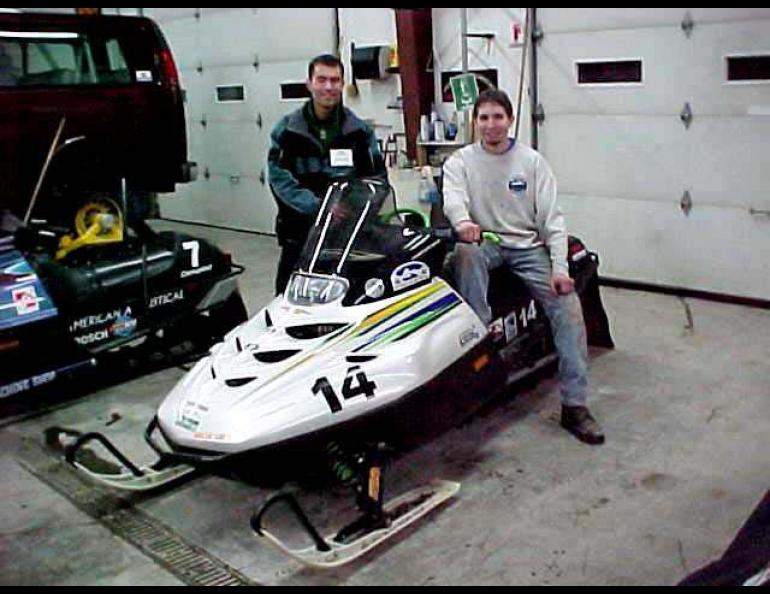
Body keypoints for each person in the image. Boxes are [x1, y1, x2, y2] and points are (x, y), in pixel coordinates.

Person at [442, 89, 605, 445]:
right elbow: (454, 200)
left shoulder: (532, 163)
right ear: (475, 123)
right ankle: (480, 341)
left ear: (510, 120)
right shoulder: (459, 162)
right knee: (464, 254)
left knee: (569, 311)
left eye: (497, 117)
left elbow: (552, 220)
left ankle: (574, 406)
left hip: (529, 248)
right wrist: (462, 224)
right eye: (483, 118)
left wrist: (560, 269)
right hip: (485, 244)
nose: (490, 125)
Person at [268, 54, 388, 294]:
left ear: (342, 84)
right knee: (287, 299)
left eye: (334, 80)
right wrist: (320, 207)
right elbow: (279, 178)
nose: (328, 87)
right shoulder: (288, 131)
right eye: (321, 79)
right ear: (309, 83)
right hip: (300, 234)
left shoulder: (359, 132)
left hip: (347, 235)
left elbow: (376, 178)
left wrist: (351, 207)